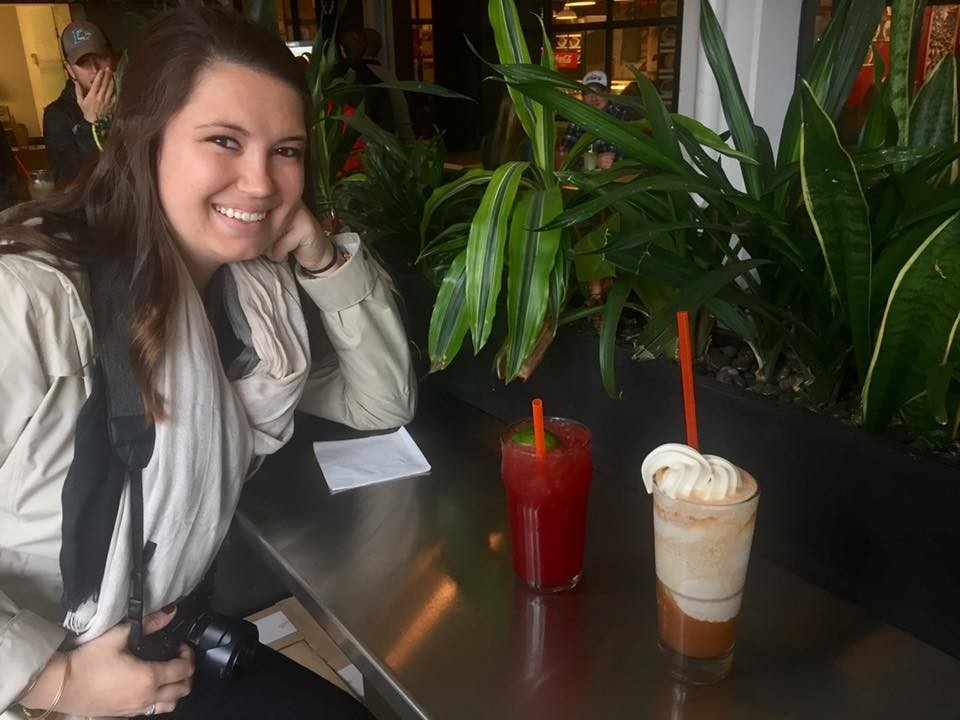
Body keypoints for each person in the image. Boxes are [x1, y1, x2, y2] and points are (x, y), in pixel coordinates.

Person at [1, 7, 415, 720]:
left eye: (285, 151)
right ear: (147, 141)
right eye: (225, 140)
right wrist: (56, 683)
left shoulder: (251, 300)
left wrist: (321, 259)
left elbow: (382, 401)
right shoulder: (36, 296)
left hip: (165, 653)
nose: (259, 182)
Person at [43, 20, 117, 188]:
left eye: (100, 56)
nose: (94, 69)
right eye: (82, 61)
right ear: (68, 69)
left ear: (112, 57)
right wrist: (90, 124)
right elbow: (66, 184)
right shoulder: (57, 115)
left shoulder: (131, 100)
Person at [558, 70, 631, 170]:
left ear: (608, 94)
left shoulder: (620, 114)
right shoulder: (577, 118)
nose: (594, 98)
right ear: (583, 97)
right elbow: (566, 156)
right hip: (586, 180)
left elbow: (630, 152)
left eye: (599, 92)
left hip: (622, 179)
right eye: (588, 93)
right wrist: (595, 161)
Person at [362, 28, 415, 141]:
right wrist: (409, 142)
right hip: (382, 140)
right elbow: (401, 113)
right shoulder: (386, 76)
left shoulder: (346, 76)